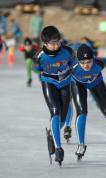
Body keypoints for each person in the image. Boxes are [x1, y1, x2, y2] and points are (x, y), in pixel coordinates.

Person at [70, 44, 106, 160]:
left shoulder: (100, 63)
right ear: (78, 61)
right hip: (78, 84)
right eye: (82, 62)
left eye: (88, 61)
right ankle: (81, 145)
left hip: (96, 83)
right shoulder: (72, 67)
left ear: (93, 59)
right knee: (81, 112)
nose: (86, 65)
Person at [33, 26, 75, 166]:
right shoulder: (39, 57)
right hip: (49, 83)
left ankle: (53, 133)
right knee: (55, 111)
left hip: (65, 83)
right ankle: (58, 148)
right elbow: (35, 70)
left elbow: (73, 64)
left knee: (63, 116)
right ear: (44, 43)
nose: (56, 45)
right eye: (53, 43)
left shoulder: (68, 51)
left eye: (58, 41)